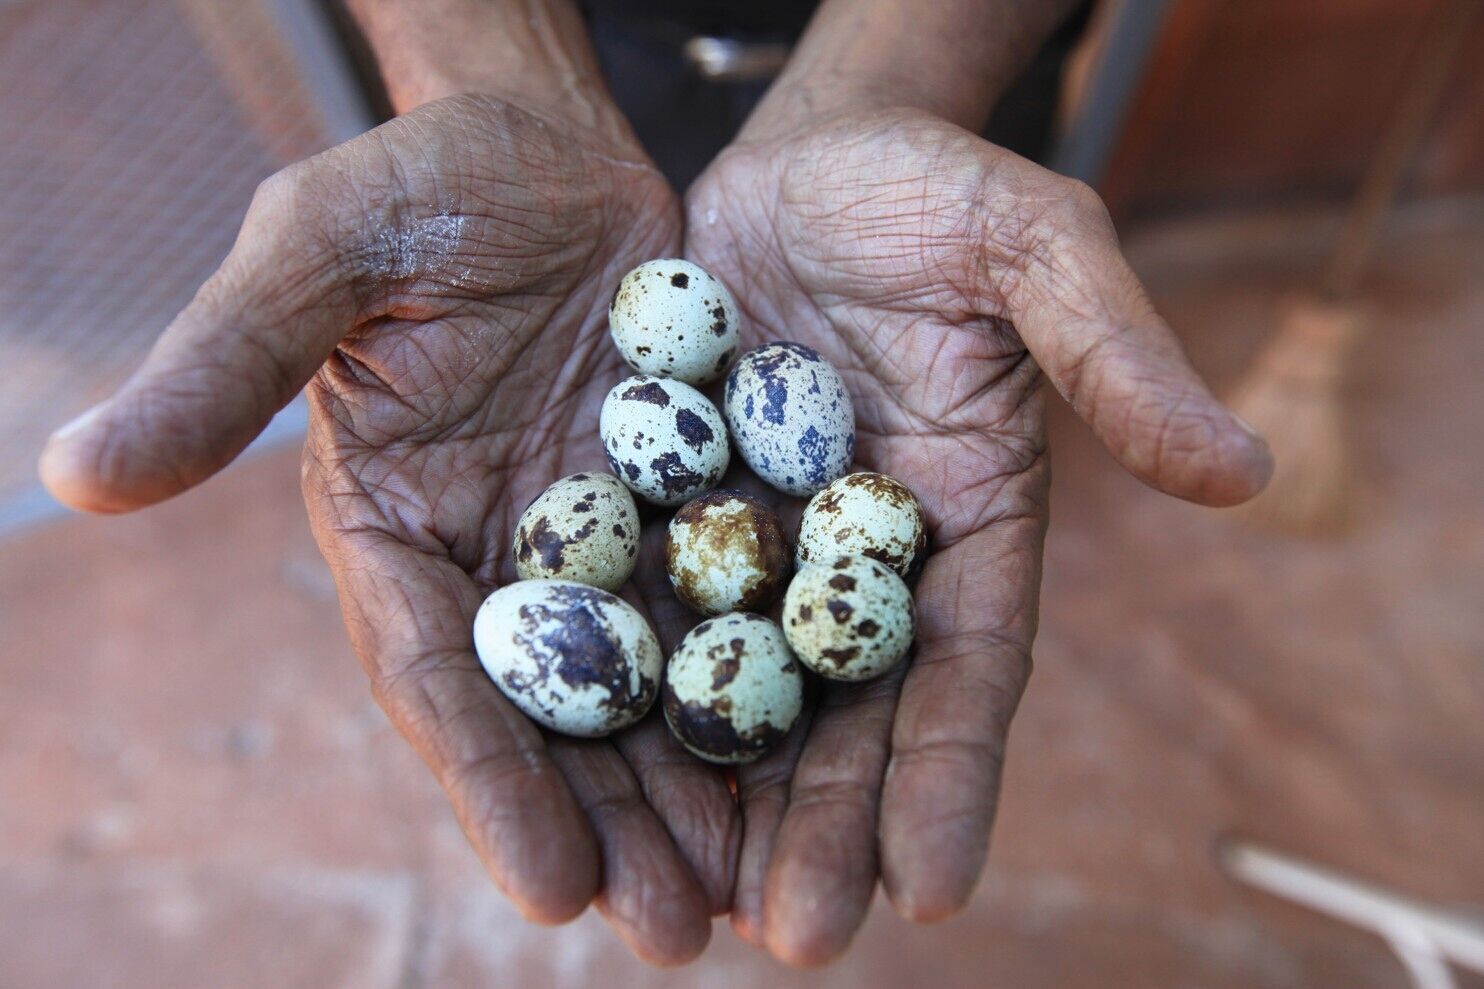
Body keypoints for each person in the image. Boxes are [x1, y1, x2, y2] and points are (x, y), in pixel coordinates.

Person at [37, 0, 1272, 969]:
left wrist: (887, 80)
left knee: (955, 375)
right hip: (552, 60)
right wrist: (498, 77)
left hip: (934, 77)